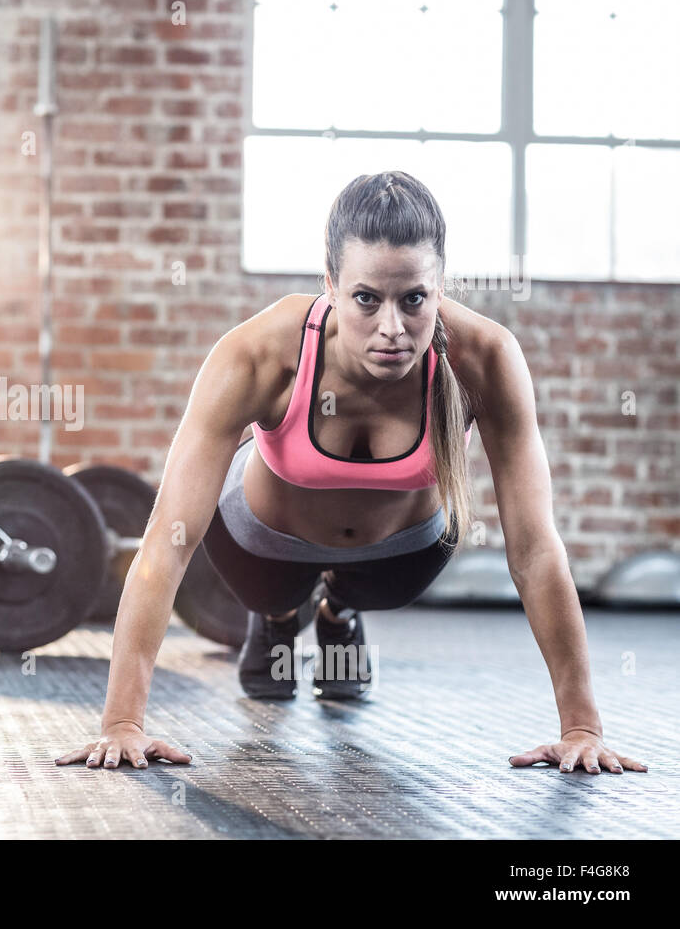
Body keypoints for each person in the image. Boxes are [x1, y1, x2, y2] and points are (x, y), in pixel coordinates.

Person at [58, 171, 647, 777]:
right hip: (261, 545)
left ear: (440, 286)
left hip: (401, 555)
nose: (392, 328)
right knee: (270, 595)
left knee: (385, 586)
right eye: (367, 299)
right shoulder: (260, 354)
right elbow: (167, 541)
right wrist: (122, 722)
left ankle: (337, 611)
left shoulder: (487, 359)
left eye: (414, 299)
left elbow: (534, 548)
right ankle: (281, 618)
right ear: (332, 284)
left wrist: (581, 727)